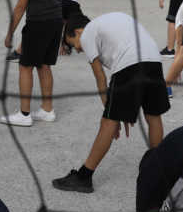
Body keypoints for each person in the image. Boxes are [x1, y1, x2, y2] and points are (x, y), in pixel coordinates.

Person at [52, 12, 170, 193]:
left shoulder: (89, 33)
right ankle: (159, 171)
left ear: (77, 31)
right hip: (154, 59)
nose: (77, 50)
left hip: (130, 63)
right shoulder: (109, 22)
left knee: (107, 122)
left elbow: (100, 78)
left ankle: (84, 177)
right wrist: (120, 111)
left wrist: (111, 113)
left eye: (71, 43)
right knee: (153, 116)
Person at [0, 0, 61, 127]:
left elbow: (20, 7)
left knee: (25, 66)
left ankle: (24, 114)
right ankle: (47, 110)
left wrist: (10, 34)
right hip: (55, 22)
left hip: (37, 24)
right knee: (44, 65)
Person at [6, 0, 81, 61]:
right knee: (70, 25)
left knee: (35, 24)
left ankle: (20, 51)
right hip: (74, 2)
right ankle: (67, 45)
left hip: (59, 1)